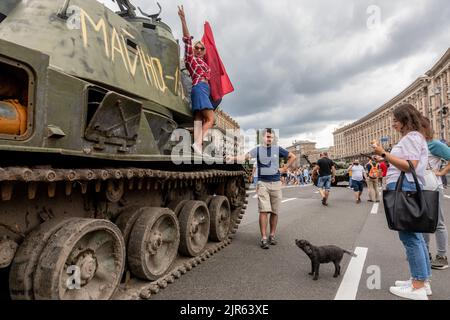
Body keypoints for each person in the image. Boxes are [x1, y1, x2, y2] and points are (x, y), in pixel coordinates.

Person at [373, 104, 431, 300]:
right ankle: (422, 280)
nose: (393, 125)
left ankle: (418, 286)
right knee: (416, 236)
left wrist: (384, 154)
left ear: (405, 120)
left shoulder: (412, 137)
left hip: (405, 187)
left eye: (396, 121)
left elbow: (410, 166)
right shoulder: (415, 137)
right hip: (407, 187)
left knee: (410, 237)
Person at [231, 129, 297, 249]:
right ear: (263, 138)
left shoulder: (278, 149)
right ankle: (264, 238)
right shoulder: (258, 149)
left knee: (274, 211)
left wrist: (284, 168)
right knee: (263, 211)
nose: (269, 139)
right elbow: (244, 157)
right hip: (263, 184)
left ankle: (272, 235)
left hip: (276, 183)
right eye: (267, 137)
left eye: (271, 137)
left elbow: (293, 156)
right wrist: (232, 157)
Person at [178, 6, 214, 155]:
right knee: (210, 119)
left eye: (201, 48)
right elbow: (187, 40)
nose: (198, 49)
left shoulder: (205, 64)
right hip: (199, 88)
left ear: (204, 51)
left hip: (202, 90)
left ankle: (196, 146)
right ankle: (198, 144)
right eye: (196, 47)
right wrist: (183, 20)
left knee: (199, 119)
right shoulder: (191, 59)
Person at [420, 118, 448, 270]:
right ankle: (425, 253)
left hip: (434, 187)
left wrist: (442, 172)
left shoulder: (434, 144)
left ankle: (442, 257)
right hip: (421, 189)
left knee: (438, 223)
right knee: (423, 223)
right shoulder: (418, 146)